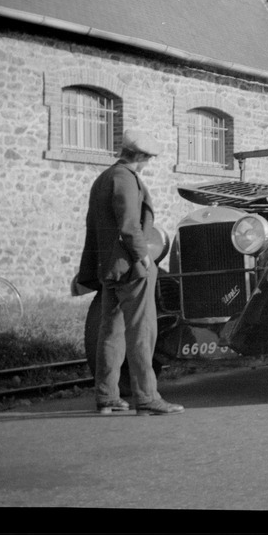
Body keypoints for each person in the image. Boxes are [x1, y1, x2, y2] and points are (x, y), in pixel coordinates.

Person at [77, 128, 183, 416]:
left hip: (109, 268)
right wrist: (143, 258)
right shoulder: (125, 179)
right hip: (130, 267)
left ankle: (107, 397)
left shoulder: (104, 178)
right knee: (142, 332)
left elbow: (96, 226)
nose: (145, 164)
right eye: (146, 158)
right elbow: (128, 225)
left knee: (110, 332)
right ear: (137, 155)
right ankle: (147, 397)